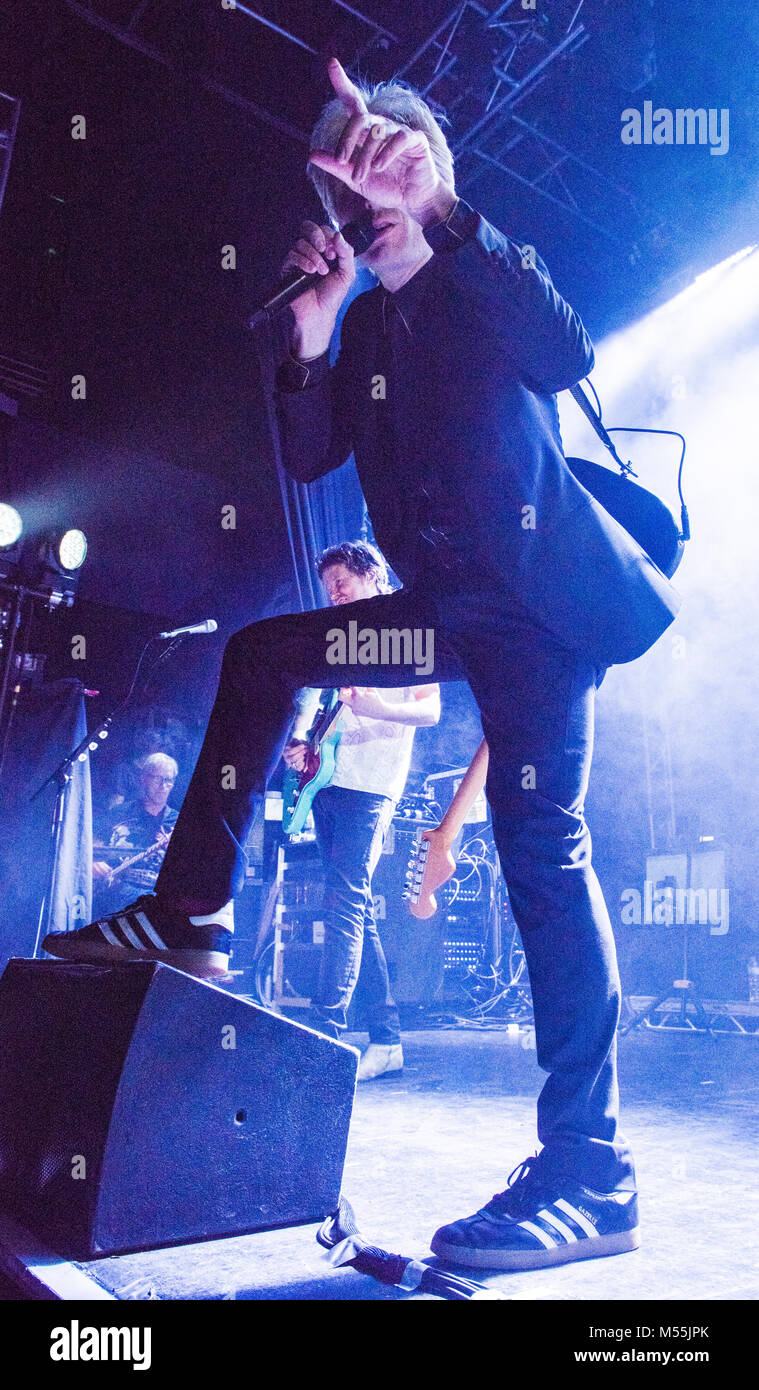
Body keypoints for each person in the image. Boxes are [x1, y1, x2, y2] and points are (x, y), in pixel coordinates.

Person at [44, 58, 680, 1271]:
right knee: (268, 651)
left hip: (540, 614)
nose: (359, 180)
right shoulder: (377, 320)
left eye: (379, 153)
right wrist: (315, 334)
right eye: (343, 164)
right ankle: (191, 913)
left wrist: (440, 213)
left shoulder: (475, 275)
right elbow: (312, 449)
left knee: (545, 842)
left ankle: (593, 1168)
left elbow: (567, 348)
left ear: (423, 166)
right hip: (438, 610)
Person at [283, 540, 440, 1079]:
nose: (334, 595)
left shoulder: (409, 628)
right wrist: (303, 743)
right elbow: (318, 706)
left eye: (341, 584)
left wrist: (375, 705)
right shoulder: (343, 638)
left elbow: (432, 710)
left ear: (371, 574)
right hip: (329, 781)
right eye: (328, 590)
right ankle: (387, 1039)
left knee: (345, 901)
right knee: (355, 905)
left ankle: (325, 1034)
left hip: (371, 785)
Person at [91, 753, 179, 911]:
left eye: (168, 780)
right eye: (157, 778)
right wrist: (94, 862)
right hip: (115, 893)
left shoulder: (178, 821)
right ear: (143, 778)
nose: (163, 786)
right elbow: (91, 844)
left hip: (157, 897)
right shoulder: (119, 813)